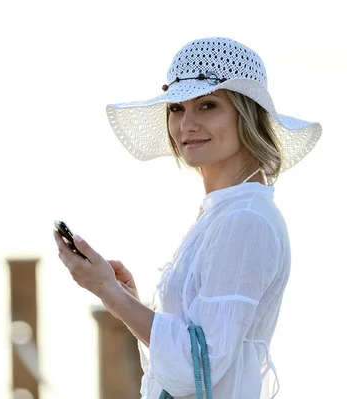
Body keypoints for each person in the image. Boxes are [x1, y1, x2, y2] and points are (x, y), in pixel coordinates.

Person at [53, 37, 321, 399]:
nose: (186, 125)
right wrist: (125, 297)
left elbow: (199, 369)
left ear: (247, 115)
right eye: (177, 108)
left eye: (207, 105)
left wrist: (107, 291)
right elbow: (192, 351)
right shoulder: (226, 211)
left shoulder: (245, 219)